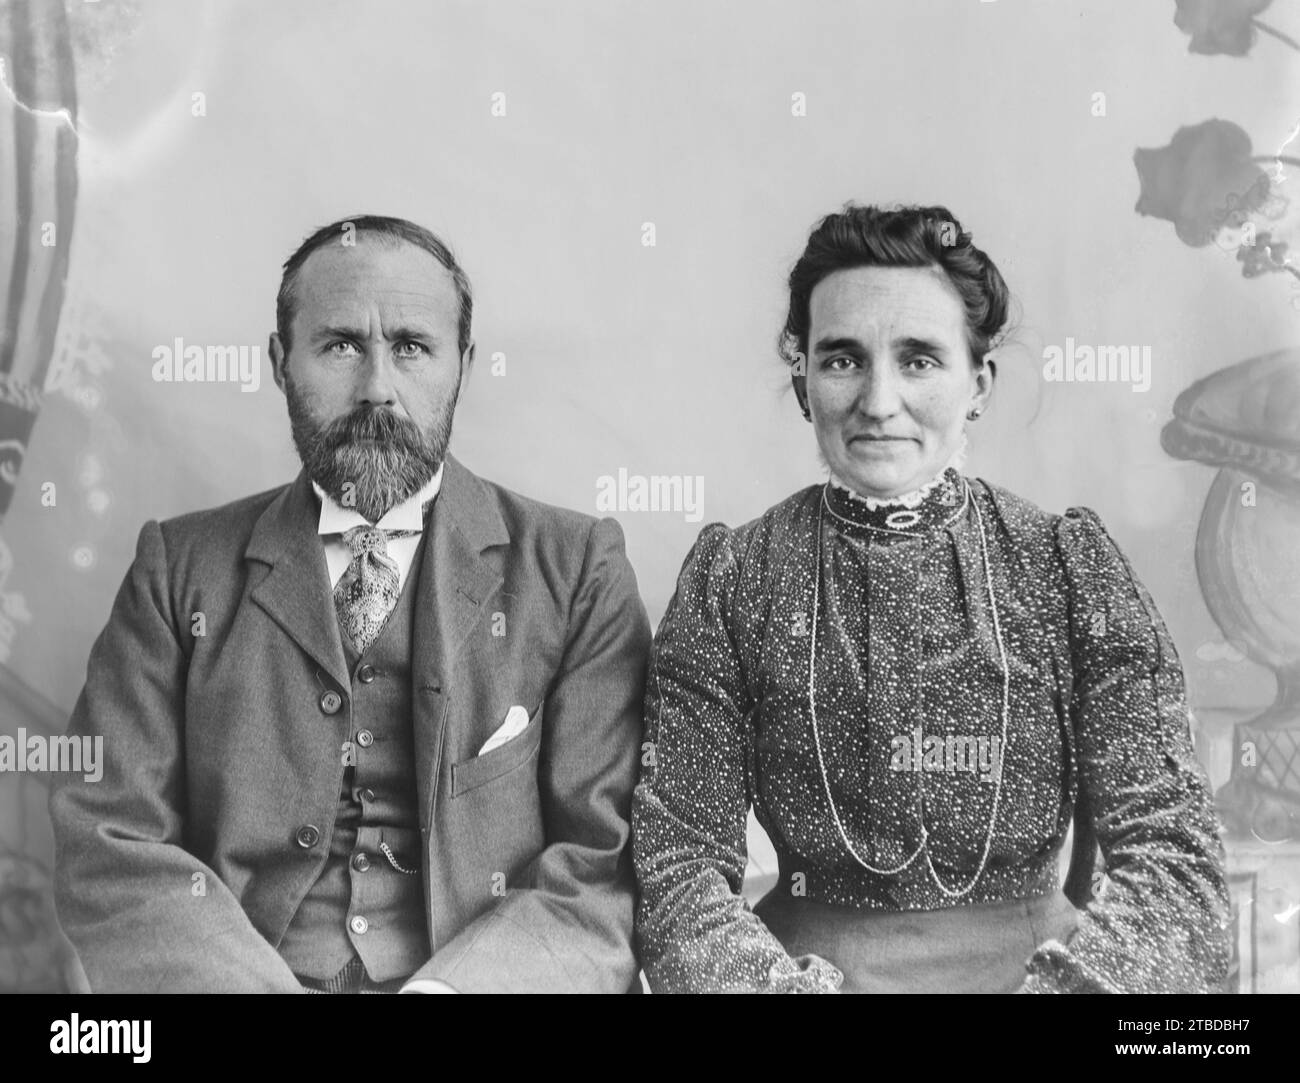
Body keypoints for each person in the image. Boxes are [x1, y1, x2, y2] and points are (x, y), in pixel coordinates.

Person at [632, 204, 1230, 993]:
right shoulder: (733, 579)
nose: (880, 401)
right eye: (843, 359)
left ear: (977, 383)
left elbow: (1176, 855)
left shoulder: (1066, 567)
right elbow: (677, 870)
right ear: (804, 382)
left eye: (918, 360)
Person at [49, 215, 650, 993]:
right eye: (339, 345)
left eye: (411, 346)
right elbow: (109, 835)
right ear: (279, 362)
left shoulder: (575, 573)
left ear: (462, 364)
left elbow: (602, 870)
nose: (376, 387)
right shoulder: (177, 569)